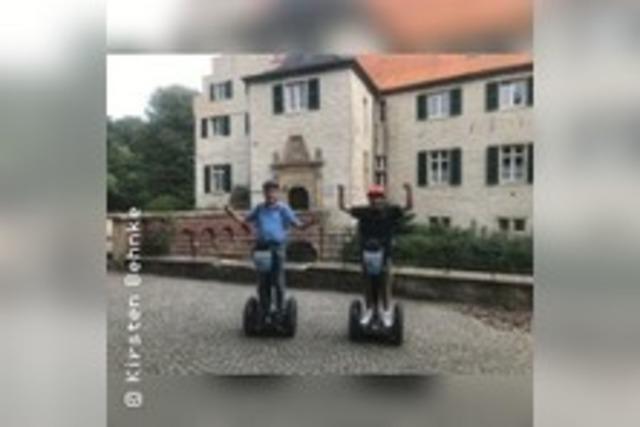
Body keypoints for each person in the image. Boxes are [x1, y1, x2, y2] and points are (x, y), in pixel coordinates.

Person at [225, 180, 316, 313]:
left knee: (278, 280)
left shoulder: (283, 209)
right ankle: (264, 308)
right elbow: (244, 220)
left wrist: (310, 223)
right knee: (263, 280)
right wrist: (231, 213)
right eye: (267, 192)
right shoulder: (259, 208)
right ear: (264, 193)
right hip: (262, 248)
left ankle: (280, 309)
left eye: (273, 192)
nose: (270, 195)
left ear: (277, 193)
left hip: (277, 248)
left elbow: (298, 225)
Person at [338, 183, 413, 327]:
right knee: (368, 284)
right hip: (367, 254)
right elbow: (343, 207)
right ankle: (369, 310)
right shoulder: (363, 212)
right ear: (369, 199)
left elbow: (408, 207)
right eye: (372, 197)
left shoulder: (390, 211)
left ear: (383, 198)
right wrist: (341, 192)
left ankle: (386, 312)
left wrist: (408, 191)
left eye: (378, 197)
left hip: (385, 255)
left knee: (384, 284)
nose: (375, 200)